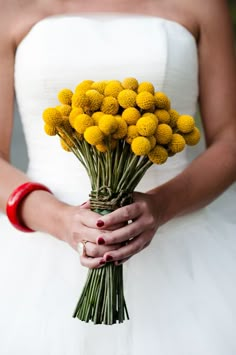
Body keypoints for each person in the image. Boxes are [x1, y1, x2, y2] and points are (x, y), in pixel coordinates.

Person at [0, 0, 236, 354]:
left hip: (186, 243)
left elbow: (230, 139)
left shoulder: (205, 5)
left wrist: (162, 205)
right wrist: (61, 220)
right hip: (39, 249)